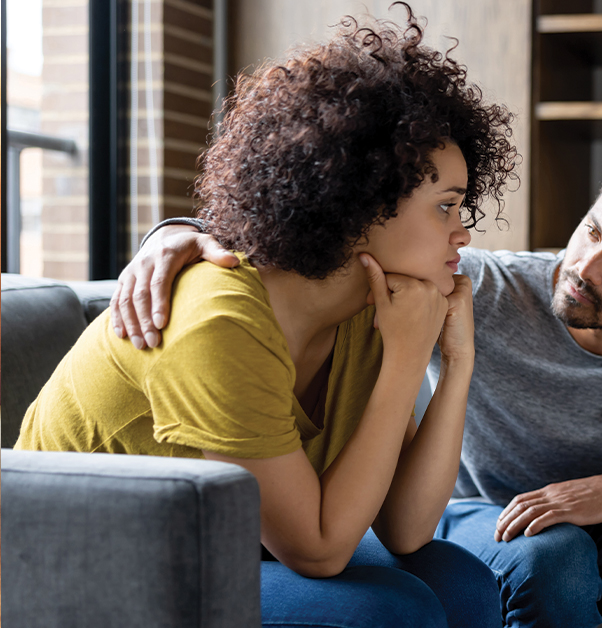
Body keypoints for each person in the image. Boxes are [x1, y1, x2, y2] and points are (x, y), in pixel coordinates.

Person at [114, 139, 602, 627]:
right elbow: (314, 237)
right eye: (590, 232)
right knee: (555, 558)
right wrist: (175, 233)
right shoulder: (483, 286)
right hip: (478, 518)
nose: (587, 266)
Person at [16, 8, 519, 628]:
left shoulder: (368, 308)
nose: (463, 232)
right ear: (359, 203)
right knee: (392, 609)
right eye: (445, 207)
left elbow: (407, 528)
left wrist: (457, 363)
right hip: (89, 568)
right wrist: (407, 359)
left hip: (221, 543)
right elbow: (319, 551)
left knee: (463, 583)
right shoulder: (217, 321)